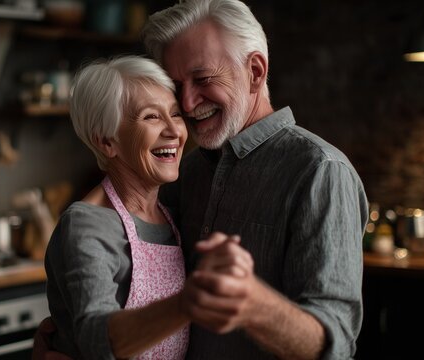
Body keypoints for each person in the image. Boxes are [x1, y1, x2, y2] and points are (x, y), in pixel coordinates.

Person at [141, 0, 369, 359]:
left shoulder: (321, 171)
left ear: (256, 71)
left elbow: (335, 345)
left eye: (203, 79)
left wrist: (254, 304)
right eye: (177, 85)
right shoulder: (187, 171)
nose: (186, 102)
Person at [41, 55, 250, 360]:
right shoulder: (88, 224)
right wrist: (186, 304)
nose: (173, 132)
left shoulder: (169, 211)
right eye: (151, 117)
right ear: (106, 141)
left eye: (176, 114)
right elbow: (95, 337)